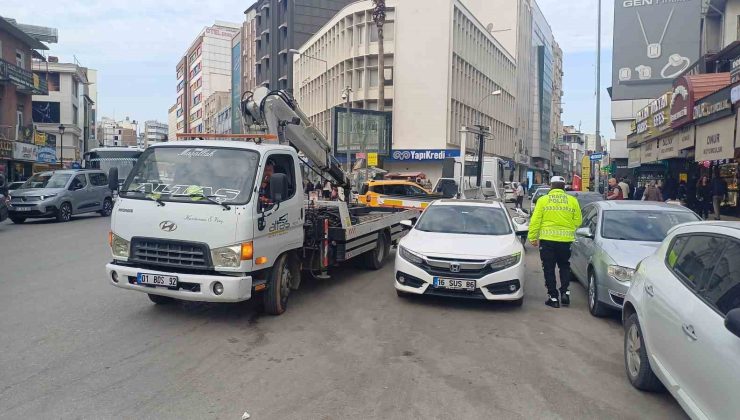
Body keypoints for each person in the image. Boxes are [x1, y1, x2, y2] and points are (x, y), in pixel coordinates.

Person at [528, 176, 582, 308]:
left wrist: (532, 237)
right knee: (564, 266)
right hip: (566, 241)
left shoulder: (543, 200)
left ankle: (553, 298)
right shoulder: (572, 200)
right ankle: (565, 293)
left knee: (548, 268)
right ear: (564, 187)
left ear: (551, 186)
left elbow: (536, 220)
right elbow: (578, 221)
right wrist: (568, 227)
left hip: (547, 241)